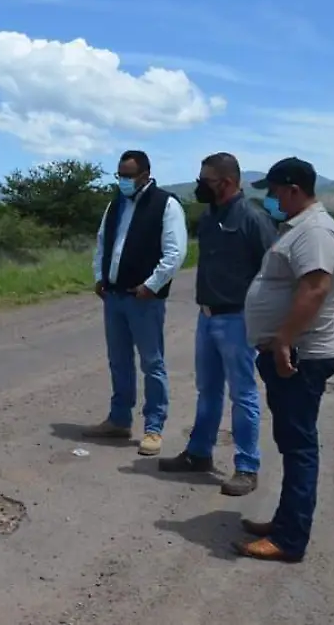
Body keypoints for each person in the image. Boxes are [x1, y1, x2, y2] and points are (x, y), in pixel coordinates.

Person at [234, 157, 334, 563]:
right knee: (291, 443)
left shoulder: (315, 231)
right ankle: (285, 522)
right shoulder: (300, 228)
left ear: (294, 189)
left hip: (300, 355)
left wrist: (283, 340)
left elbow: (315, 289)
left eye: (275, 191)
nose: (271, 199)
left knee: (299, 448)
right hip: (290, 351)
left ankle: (289, 538)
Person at [159, 153, 276, 496]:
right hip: (207, 317)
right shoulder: (210, 218)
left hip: (238, 320)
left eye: (204, 180)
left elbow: (271, 274)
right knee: (207, 391)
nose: (199, 186)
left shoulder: (253, 219)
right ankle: (198, 454)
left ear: (225, 183)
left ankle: (246, 466)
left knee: (243, 394)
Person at [84, 149, 188, 456]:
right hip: (113, 295)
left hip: (144, 299)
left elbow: (175, 253)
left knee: (152, 363)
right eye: (120, 175)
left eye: (128, 176)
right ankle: (119, 419)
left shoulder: (166, 204)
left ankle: (153, 427)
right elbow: (103, 242)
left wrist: (152, 285)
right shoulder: (115, 204)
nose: (123, 181)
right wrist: (99, 275)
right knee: (119, 360)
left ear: (145, 175)